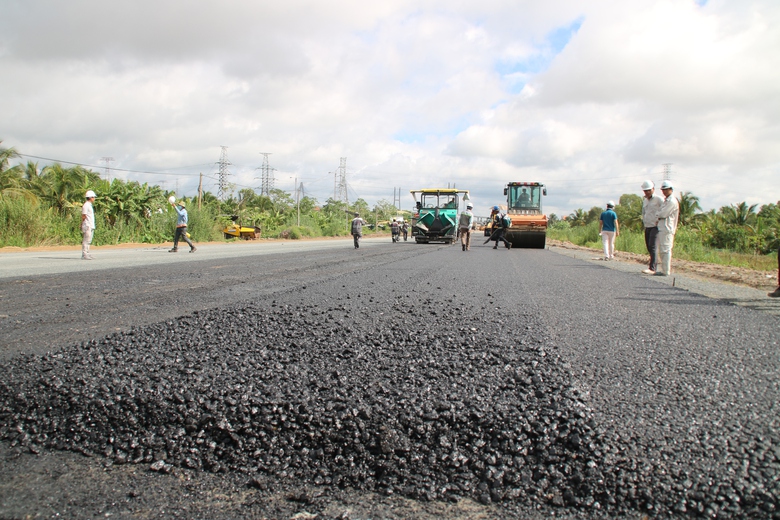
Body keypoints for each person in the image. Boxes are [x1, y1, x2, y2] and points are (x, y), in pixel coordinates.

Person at [655, 180, 679, 276]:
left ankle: (666, 271)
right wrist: (659, 214)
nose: (664, 191)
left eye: (666, 189)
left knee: (666, 249)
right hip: (663, 227)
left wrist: (658, 214)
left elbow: (663, 213)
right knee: (663, 249)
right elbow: (659, 212)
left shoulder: (672, 201)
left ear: (671, 189)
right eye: (663, 190)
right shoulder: (666, 200)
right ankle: (664, 269)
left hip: (667, 228)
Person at [641, 180, 663, 274]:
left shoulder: (659, 199)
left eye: (648, 190)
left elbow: (664, 210)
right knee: (649, 247)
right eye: (645, 191)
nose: (647, 192)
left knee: (653, 246)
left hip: (655, 226)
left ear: (653, 189)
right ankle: (653, 263)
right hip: (647, 226)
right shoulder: (645, 200)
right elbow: (644, 213)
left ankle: (652, 268)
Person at [81, 190, 97, 260]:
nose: (94, 199)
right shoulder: (86, 205)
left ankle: (87, 253)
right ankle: (84, 254)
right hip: (87, 225)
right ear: (90, 197)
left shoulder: (89, 205)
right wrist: (82, 224)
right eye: (93, 197)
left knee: (89, 240)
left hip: (91, 225)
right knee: (86, 240)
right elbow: (84, 215)